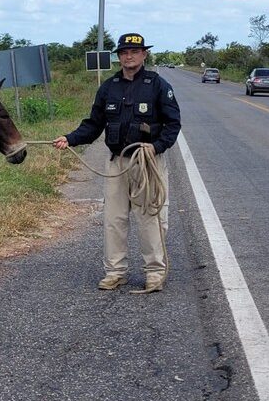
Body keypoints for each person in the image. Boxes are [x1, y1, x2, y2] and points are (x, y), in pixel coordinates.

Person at [53, 33, 181, 293]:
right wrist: (70, 138)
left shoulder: (158, 85)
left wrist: (156, 147)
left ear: (144, 54)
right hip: (117, 163)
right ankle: (115, 271)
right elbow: (93, 124)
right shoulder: (109, 87)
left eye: (134, 51)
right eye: (124, 52)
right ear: (118, 56)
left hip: (147, 163)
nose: (129, 56)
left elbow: (173, 124)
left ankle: (155, 272)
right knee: (114, 219)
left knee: (150, 218)